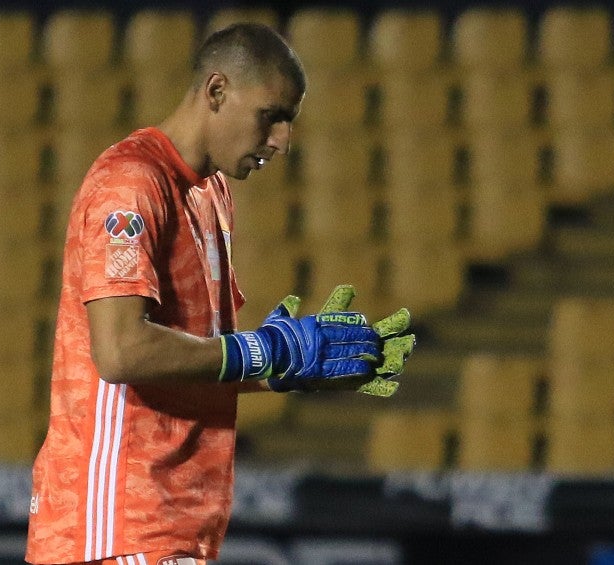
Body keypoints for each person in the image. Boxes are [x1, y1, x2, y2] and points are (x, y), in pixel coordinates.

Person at [26, 22, 408, 565]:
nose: (282, 139)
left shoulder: (212, 194)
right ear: (217, 91)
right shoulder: (131, 184)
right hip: (118, 523)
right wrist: (263, 351)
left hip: (168, 527)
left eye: (289, 121)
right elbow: (119, 351)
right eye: (270, 115)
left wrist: (292, 365)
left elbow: (199, 357)